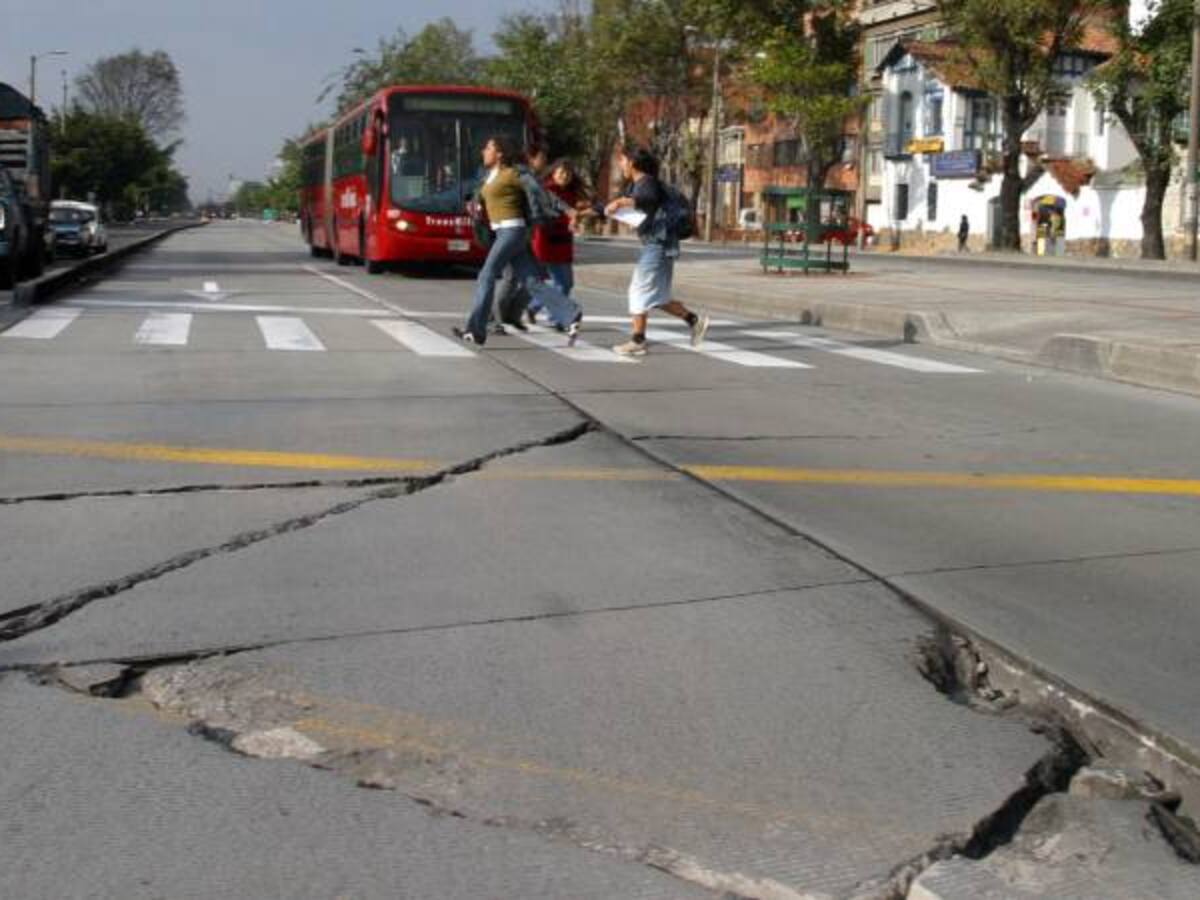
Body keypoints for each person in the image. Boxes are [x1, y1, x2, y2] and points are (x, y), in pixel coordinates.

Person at [455, 135, 581, 346]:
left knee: (486, 275)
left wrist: (569, 210)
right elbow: (481, 198)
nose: (483, 151)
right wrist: (474, 205)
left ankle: (475, 330)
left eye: (488, 148)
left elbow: (543, 193)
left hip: (512, 230)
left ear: (500, 153)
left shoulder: (515, 173)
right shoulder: (489, 175)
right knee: (531, 281)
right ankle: (571, 313)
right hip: (503, 231)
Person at [604, 145, 708, 357]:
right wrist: (589, 210)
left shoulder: (646, 182)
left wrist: (621, 201)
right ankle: (694, 321)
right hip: (661, 244)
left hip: (657, 244)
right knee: (658, 296)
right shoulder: (636, 185)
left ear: (632, 162)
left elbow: (648, 198)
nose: (621, 165)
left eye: (622, 161)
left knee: (638, 290)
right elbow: (626, 205)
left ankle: (638, 340)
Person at [527, 158, 586, 325]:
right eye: (561, 172)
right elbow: (547, 215)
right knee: (563, 282)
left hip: (564, 241)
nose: (565, 176)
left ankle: (534, 306)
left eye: (568, 173)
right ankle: (556, 317)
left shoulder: (571, 192)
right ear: (553, 173)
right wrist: (570, 219)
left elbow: (571, 215)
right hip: (547, 240)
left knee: (565, 283)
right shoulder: (547, 190)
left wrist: (575, 220)